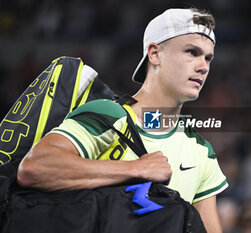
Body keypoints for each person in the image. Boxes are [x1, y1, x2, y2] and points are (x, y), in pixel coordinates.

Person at [17, 8, 228, 233]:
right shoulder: (110, 114)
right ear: (155, 54)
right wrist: (134, 168)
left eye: (208, 58)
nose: (203, 66)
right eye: (191, 52)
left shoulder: (201, 150)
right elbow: (35, 168)